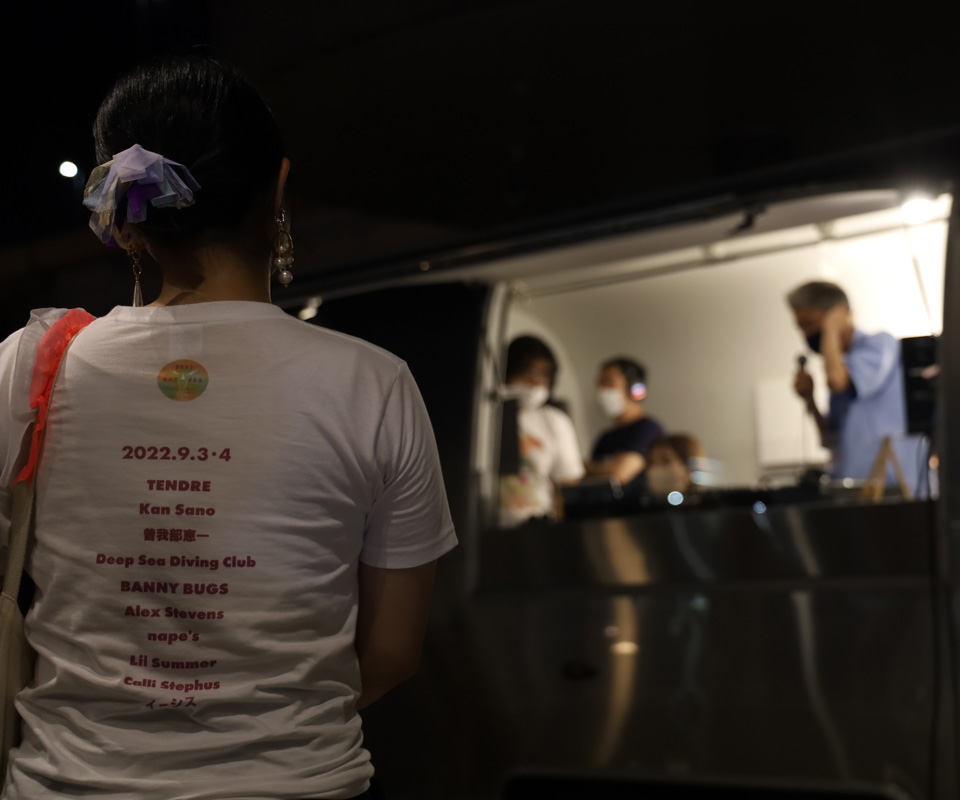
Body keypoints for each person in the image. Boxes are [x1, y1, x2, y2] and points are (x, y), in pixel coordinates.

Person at [0, 56, 456, 800]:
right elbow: (391, 653)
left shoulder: (32, 365)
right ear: (278, 188)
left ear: (123, 210)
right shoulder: (373, 384)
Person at [788, 281, 921, 489]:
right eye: (800, 327)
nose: (805, 334)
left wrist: (831, 331)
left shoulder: (879, 344)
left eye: (809, 323)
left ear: (837, 314)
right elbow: (829, 439)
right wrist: (809, 400)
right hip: (850, 485)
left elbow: (836, 381)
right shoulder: (843, 366)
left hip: (890, 485)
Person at [497, 336, 585, 526]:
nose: (536, 383)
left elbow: (568, 483)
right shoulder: (486, 415)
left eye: (544, 376)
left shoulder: (555, 421)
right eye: (528, 373)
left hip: (535, 523)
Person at [586, 357, 664, 486]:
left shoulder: (648, 429)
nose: (602, 390)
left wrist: (587, 466)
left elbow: (618, 474)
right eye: (600, 384)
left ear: (634, 388)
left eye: (609, 382)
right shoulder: (605, 437)